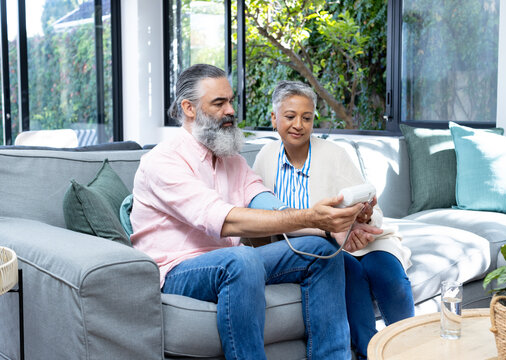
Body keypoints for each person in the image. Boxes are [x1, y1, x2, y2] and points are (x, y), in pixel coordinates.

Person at [129, 64, 367, 360]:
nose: (230, 110)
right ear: (189, 108)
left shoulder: (231, 159)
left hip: (232, 263)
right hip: (179, 270)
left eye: (230, 101)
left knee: (320, 250)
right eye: (219, 103)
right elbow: (226, 221)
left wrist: (333, 222)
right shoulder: (162, 162)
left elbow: (267, 203)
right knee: (241, 258)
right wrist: (310, 217)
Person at [252, 80, 415, 359]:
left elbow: (371, 210)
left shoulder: (334, 154)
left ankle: (411, 348)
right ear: (274, 118)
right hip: (321, 247)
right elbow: (263, 218)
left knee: (389, 274)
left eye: (307, 117)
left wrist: (364, 214)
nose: (298, 125)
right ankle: (368, 352)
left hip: (362, 239)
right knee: (349, 272)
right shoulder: (265, 157)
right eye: (290, 117)